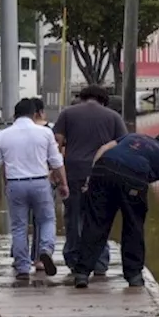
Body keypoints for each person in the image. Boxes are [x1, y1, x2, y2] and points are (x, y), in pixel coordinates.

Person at [72, 132, 159, 289]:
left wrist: (92, 175)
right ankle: (134, 276)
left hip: (103, 168)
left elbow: (104, 148)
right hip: (134, 177)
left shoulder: (133, 137)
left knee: (95, 222)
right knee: (133, 225)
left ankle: (82, 273)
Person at [0, 98, 69, 281]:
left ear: (14, 115)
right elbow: (56, 161)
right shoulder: (45, 133)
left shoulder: (3, 135)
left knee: (19, 226)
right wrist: (63, 183)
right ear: (35, 114)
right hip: (40, 182)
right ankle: (45, 250)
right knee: (47, 220)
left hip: (15, 184)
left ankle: (23, 267)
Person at [53, 84, 127, 276]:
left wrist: (54, 171)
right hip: (103, 172)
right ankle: (100, 263)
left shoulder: (67, 114)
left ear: (81, 97)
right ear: (104, 100)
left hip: (73, 172)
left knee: (74, 216)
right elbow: (123, 145)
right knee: (99, 217)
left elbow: (56, 143)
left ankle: (74, 260)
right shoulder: (113, 117)